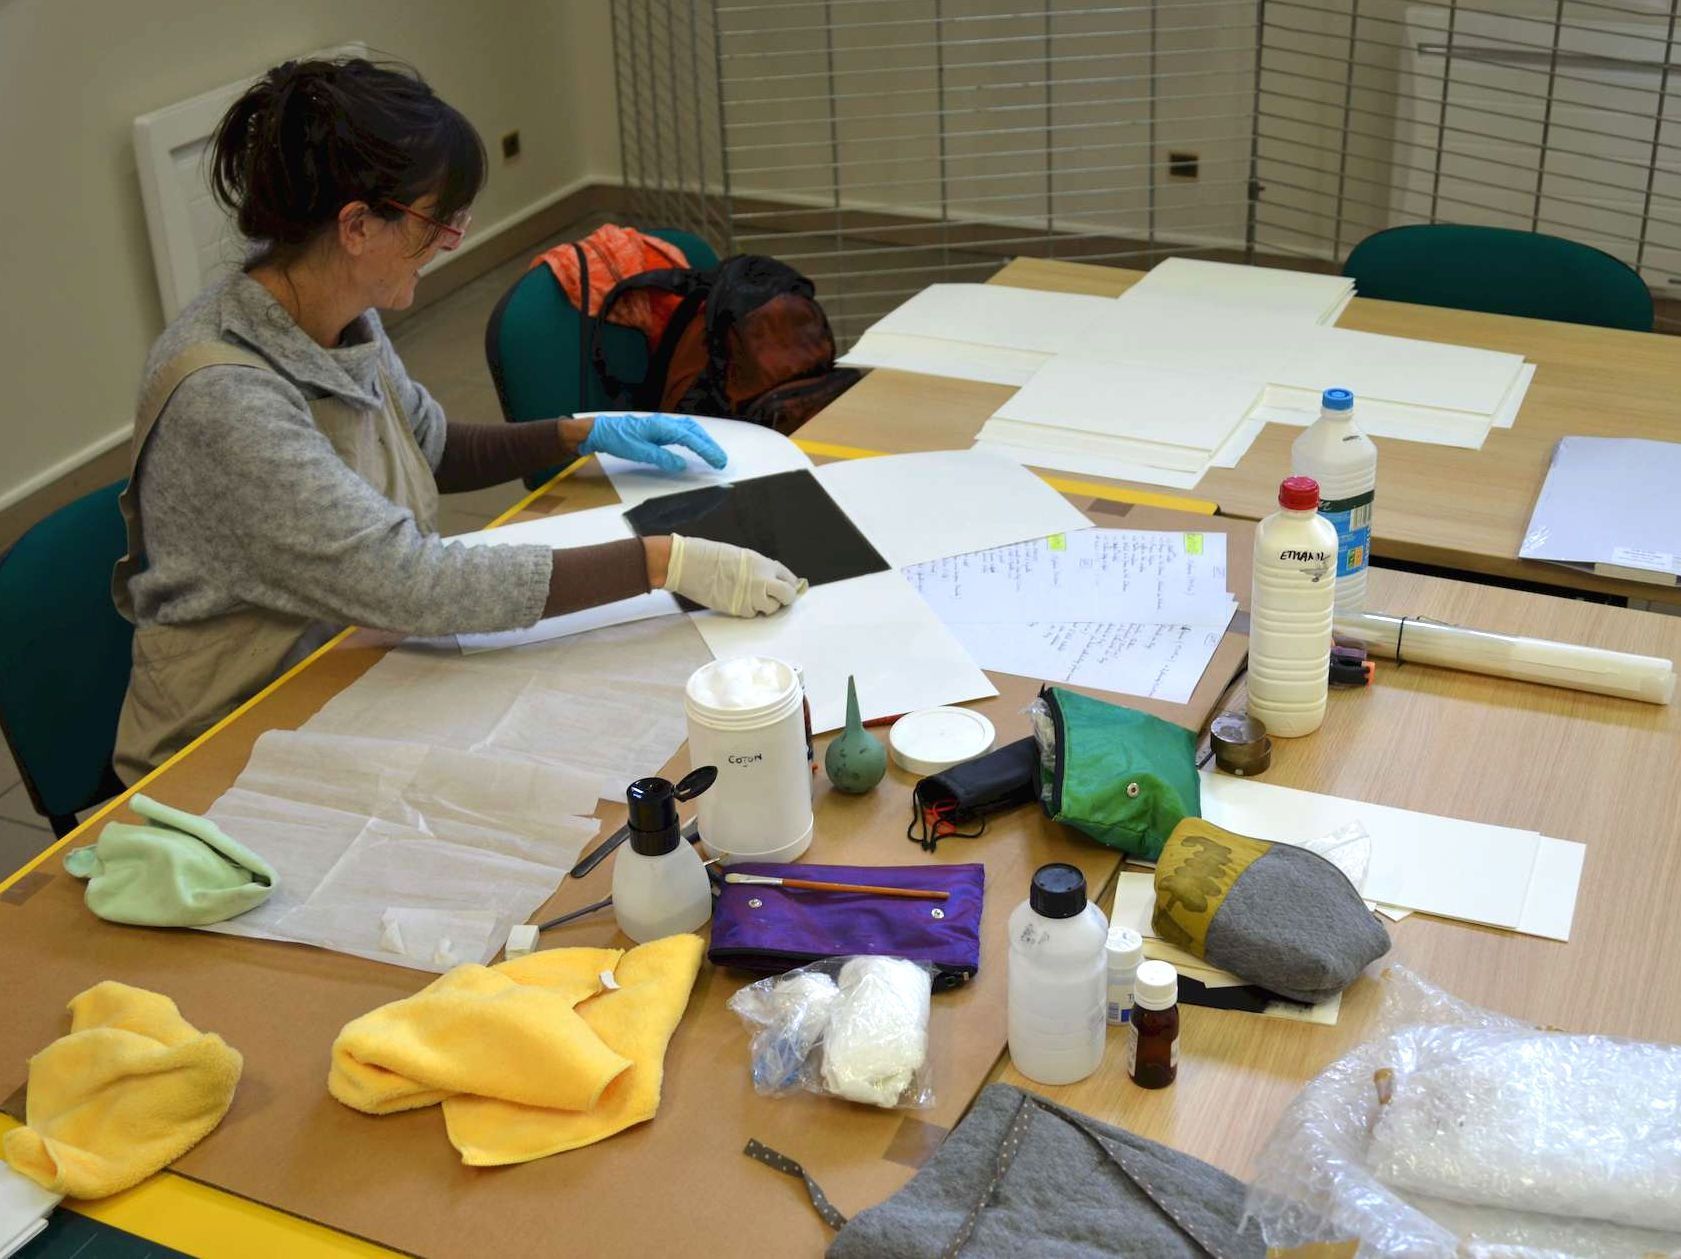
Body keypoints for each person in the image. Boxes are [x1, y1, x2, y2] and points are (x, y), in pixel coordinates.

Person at [111, 57, 801, 784]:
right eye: (437, 219)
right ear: (356, 225)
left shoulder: (337, 314)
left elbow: (429, 445)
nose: (453, 239)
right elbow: (412, 583)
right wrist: (660, 563)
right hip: (221, 744)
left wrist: (580, 432)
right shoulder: (227, 397)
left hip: (343, 664)